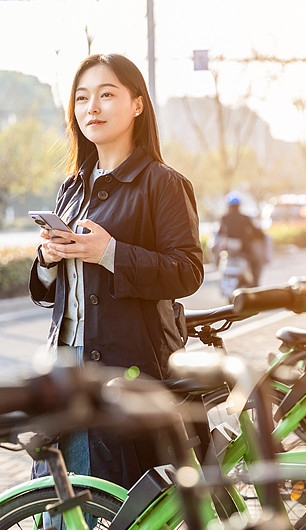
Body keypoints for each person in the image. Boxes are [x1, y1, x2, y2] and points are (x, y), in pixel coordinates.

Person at [29, 53, 204, 491]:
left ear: (138, 104)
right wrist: (49, 259)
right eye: (83, 97)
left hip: (125, 375)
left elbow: (187, 271)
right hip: (64, 371)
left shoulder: (164, 184)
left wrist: (110, 252)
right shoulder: (71, 189)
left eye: (107, 95)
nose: (93, 107)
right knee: (56, 504)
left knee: (112, 502)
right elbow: (51, 292)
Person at [215, 191, 267, 286]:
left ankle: (216, 267)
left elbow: (219, 233)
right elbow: (257, 232)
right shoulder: (245, 218)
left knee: (217, 258)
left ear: (229, 205)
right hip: (244, 250)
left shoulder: (224, 218)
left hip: (228, 250)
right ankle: (255, 284)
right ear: (239, 205)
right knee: (256, 263)